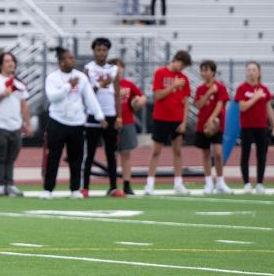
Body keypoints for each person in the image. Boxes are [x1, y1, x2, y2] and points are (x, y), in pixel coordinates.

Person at [42, 47, 106, 199]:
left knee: (76, 158)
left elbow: (89, 97)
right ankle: (48, 189)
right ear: (62, 61)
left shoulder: (81, 77)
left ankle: (75, 189)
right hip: (57, 121)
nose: (73, 61)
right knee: (54, 157)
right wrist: (67, 86)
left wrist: (99, 115)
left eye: (73, 58)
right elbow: (52, 97)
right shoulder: (52, 78)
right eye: (69, 58)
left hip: (77, 123)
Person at [0, 51, 29, 197]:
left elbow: (24, 103)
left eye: (12, 61)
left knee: (11, 156)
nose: (10, 63)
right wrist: (2, 95)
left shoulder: (19, 82)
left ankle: (9, 184)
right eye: (7, 61)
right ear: (1, 64)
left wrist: (27, 123)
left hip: (15, 125)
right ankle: (0, 185)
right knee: (0, 155)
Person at [145, 50, 193, 195]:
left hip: (177, 119)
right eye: (182, 65)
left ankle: (178, 183)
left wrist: (184, 122)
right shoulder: (160, 73)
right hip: (161, 118)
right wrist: (173, 85)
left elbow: (186, 102)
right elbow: (158, 95)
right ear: (176, 60)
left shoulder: (184, 78)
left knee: (177, 151)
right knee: (156, 151)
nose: (182, 69)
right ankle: (150, 184)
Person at [82, 38, 122, 197]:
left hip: (110, 114)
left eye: (104, 50)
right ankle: (85, 187)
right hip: (93, 115)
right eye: (98, 50)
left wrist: (119, 116)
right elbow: (85, 92)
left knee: (111, 153)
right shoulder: (88, 69)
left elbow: (118, 94)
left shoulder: (114, 70)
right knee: (90, 153)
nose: (101, 53)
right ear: (93, 51)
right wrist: (99, 84)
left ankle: (113, 187)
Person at [193, 60, 234, 195]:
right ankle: (208, 182)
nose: (204, 73)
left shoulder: (220, 87)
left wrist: (211, 119)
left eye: (206, 70)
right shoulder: (200, 89)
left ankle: (220, 182)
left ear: (213, 72)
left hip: (216, 125)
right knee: (205, 153)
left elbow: (220, 104)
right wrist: (209, 92)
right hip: (202, 125)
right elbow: (198, 105)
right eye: (202, 70)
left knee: (217, 152)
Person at [235, 62, 274, 194]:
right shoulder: (242, 88)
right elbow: (243, 107)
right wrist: (255, 97)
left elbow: (268, 107)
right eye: (249, 70)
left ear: (259, 72)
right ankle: (247, 184)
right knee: (245, 154)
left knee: (262, 155)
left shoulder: (264, 89)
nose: (251, 72)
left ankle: (260, 184)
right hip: (247, 127)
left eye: (254, 70)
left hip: (262, 127)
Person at [113, 58, 147, 195]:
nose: (117, 69)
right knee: (112, 155)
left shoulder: (128, 85)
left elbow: (141, 97)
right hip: (112, 122)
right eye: (115, 66)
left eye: (120, 66)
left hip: (127, 121)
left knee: (126, 154)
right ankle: (113, 184)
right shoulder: (107, 84)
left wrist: (139, 101)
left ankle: (127, 183)